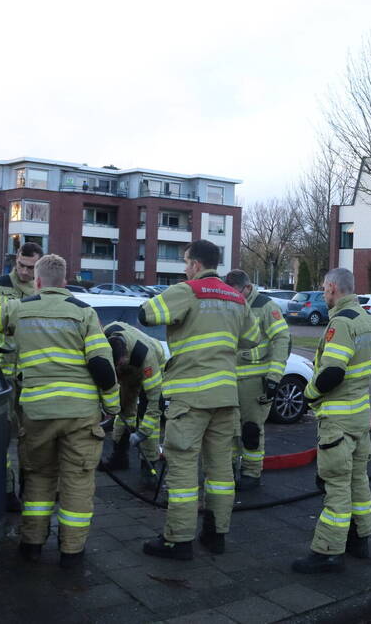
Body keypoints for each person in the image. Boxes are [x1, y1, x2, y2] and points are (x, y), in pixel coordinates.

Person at [0, 254, 119, 568]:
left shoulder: (19, 309)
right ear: (64, 282)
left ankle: (32, 544)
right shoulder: (85, 312)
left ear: (36, 281)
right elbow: (102, 364)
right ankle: (72, 552)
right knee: (77, 480)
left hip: (37, 412)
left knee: (38, 476)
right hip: (80, 413)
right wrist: (112, 407)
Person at [137, 239, 259, 560]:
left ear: (194, 264)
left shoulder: (187, 290)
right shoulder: (236, 296)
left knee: (183, 469)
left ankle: (178, 540)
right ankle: (216, 534)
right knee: (221, 470)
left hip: (190, 397)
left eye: (185, 262)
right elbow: (251, 338)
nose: (184, 268)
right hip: (225, 397)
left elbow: (145, 313)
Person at [293, 267, 371, 574]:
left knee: (337, 487)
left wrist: (308, 395)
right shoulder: (370, 321)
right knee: (359, 483)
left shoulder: (341, 323)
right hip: (359, 418)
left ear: (332, 287)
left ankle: (328, 552)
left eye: (323, 287)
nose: (323, 292)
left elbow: (332, 372)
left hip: (338, 421)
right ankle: (360, 540)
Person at [0, 242, 45, 511]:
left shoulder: (43, 290)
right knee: (3, 436)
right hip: (2, 376)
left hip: (31, 375)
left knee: (31, 437)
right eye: (21, 265)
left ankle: (29, 489)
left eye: (31, 268)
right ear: (15, 259)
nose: (25, 272)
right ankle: (6, 490)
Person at [224, 269, 290, 491]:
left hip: (255, 381)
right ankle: (230, 470)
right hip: (229, 380)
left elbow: (282, 339)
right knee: (229, 430)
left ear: (248, 288)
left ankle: (252, 473)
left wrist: (274, 377)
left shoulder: (266, 307)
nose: (232, 297)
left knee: (251, 430)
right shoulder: (230, 304)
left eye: (235, 293)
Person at [101, 320, 165, 487]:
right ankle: (119, 457)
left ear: (124, 357)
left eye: (119, 365)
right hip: (129, 373)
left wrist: (143, 432)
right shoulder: (104, 337)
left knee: (146, 413)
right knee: (123, 411)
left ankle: (148, 465)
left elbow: (155, 401)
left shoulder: (145, 356)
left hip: (153, 367)